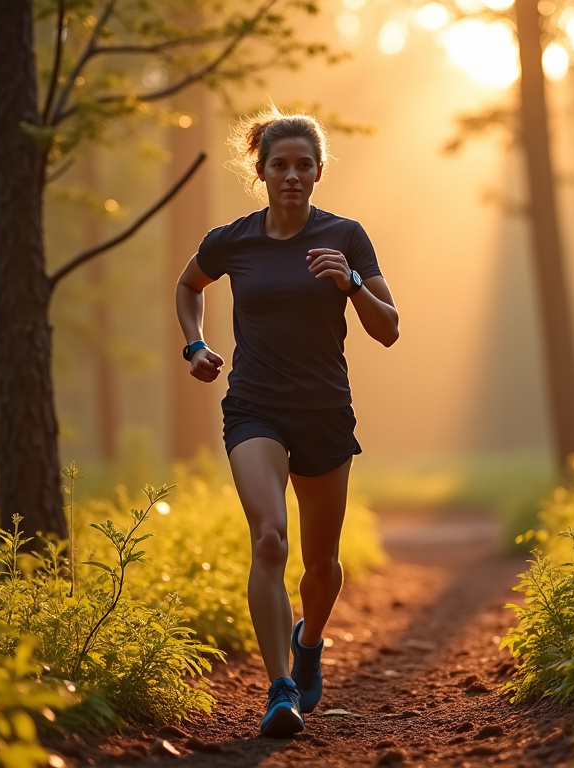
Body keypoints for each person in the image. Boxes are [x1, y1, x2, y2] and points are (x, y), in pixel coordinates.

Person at [174, 108, 399, 738]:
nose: (292, 175)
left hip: (326, 410)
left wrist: (351, 282)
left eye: (304, 165)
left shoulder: (347, 235)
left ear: (320, 171)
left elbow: (390, 329)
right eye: (280, 165)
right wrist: (195, 345)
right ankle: (280, 690)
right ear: (261, 171)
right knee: (270, 536)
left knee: (321, 563)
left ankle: (310, 641)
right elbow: (188, 287)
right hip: (254, 406)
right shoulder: (232, 240)